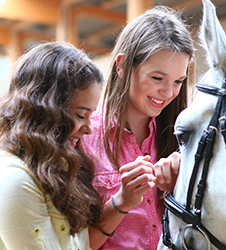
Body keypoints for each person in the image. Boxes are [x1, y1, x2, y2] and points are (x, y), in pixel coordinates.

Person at [82, 6, 195, 250]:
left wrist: (180, 189)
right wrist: (121, 201)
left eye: (178, 81)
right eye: (157, 78)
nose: (168, 93)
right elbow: (74, 245)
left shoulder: (184, 141)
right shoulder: (84, 137)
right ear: (122, 66)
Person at [0, 42, 104, 249]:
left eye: (91, 115)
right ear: (44, 109)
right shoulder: (12, 181)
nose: (89, 128)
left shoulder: (55, 169)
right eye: (80, 115)